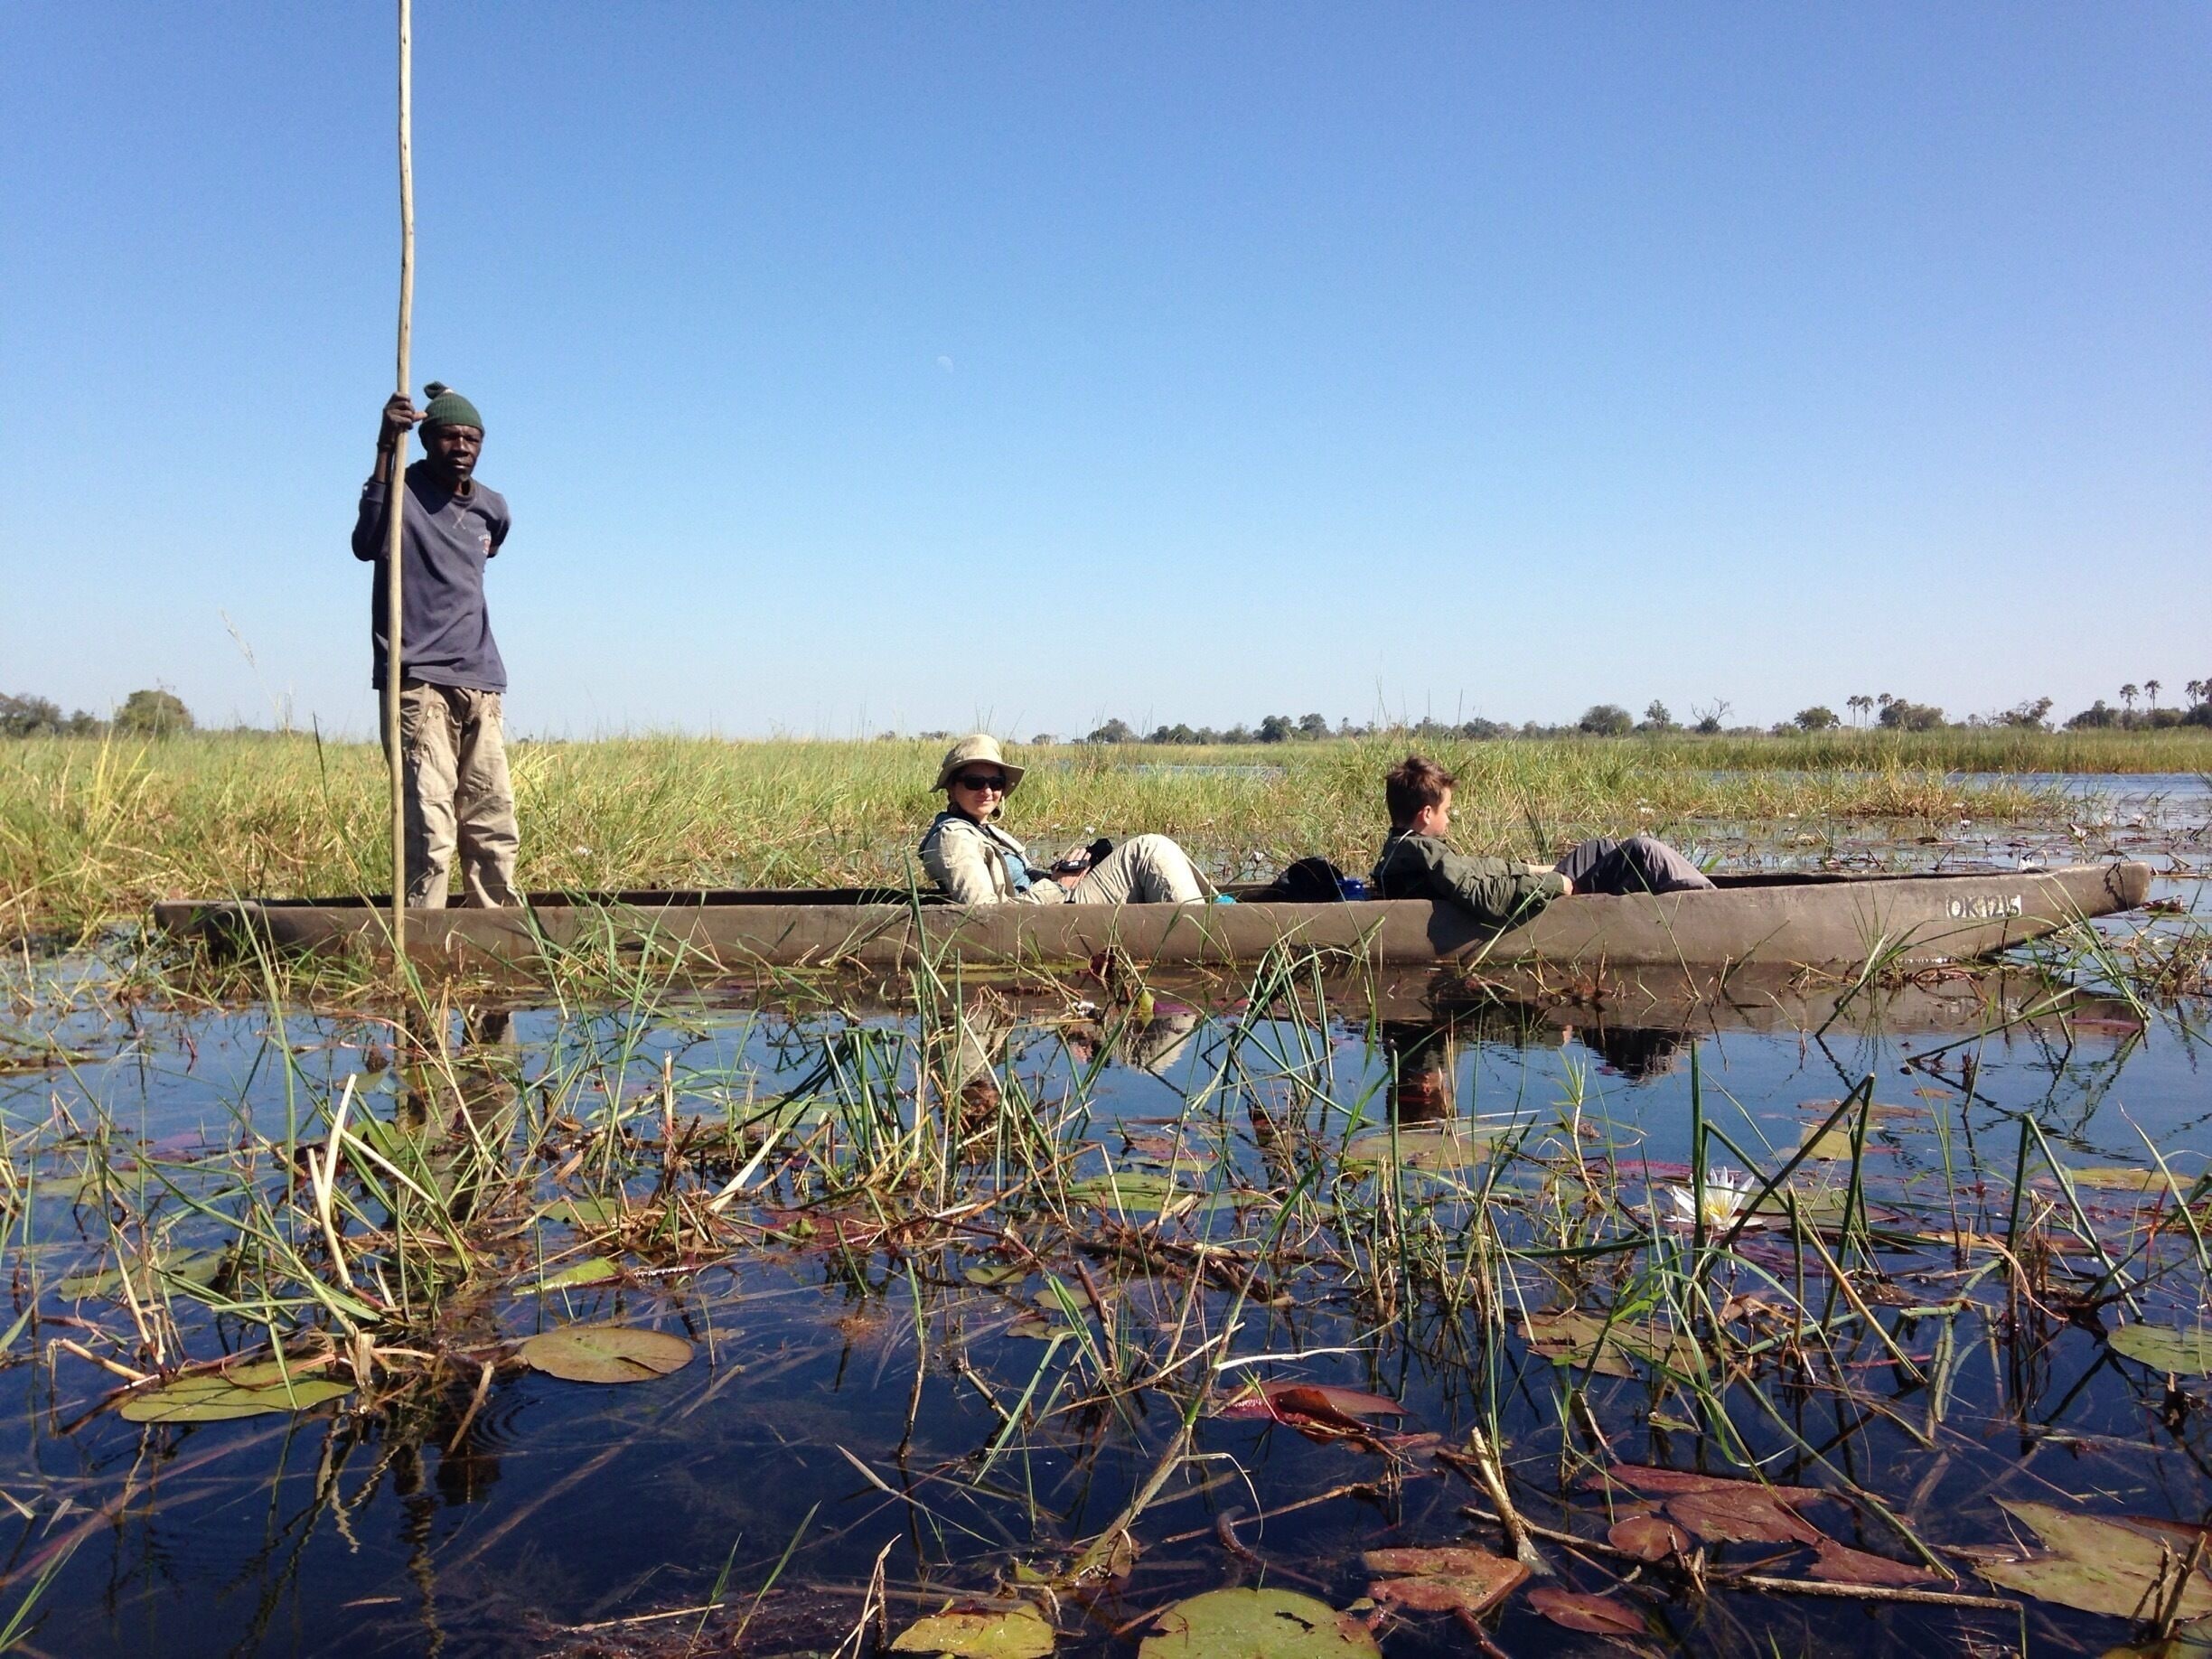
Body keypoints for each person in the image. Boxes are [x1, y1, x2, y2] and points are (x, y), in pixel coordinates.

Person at [351, 383, 520, 908]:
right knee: (430, 823)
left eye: (472, 438)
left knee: (492, 817)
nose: (462, 446)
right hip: (417, 678)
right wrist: (384, 445)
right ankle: (425, 935)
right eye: (449, 436)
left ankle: (498, 932)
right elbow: (365, 544)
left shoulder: (492, 508)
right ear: (427, 440)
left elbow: (486, 553)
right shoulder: (399, 494)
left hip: (480, 679)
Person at [1372, 755, 1712, 928]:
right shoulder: (1423, 853)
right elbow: (1481, 896)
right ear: (1427, 814)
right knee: (1641, 851)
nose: (1450, 817)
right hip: (1536, 897)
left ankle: (1687, 895)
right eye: (1447, 810)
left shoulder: (1405, 845)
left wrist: (1530, 868)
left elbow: (1474, 869)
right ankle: (1708, 905)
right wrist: (1554, 883)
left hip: (1532, 884)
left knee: (1600, 849)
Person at [919, 735, 1215, 905]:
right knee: (1149, 848)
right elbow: (985, 916)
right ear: (952, 788)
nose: (987, 791)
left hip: (1054, 900)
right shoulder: (953, 838)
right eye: (974, 782)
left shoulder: (983, 830)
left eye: (995, 783)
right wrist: (1058, 886)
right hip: (1049, 916)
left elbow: (1019, 884)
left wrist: (1058, 874)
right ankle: (1205, 928)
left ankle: (1211, 910)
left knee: (1152, 848)